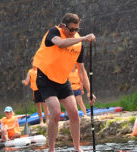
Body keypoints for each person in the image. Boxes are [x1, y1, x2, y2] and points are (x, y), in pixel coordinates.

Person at [31, 13, 96, 151]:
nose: (74, 33)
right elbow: (60, 44)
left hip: (62, 80)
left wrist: (90, 92)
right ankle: (52, 149)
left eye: (76, 30)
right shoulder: (54, 32)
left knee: (74, 113)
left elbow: (82, 70)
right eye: (71, 30)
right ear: (63, 26)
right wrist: (84, 38)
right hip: (46, 78)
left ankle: (78, 148)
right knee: (55, 112)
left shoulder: (78, 42)